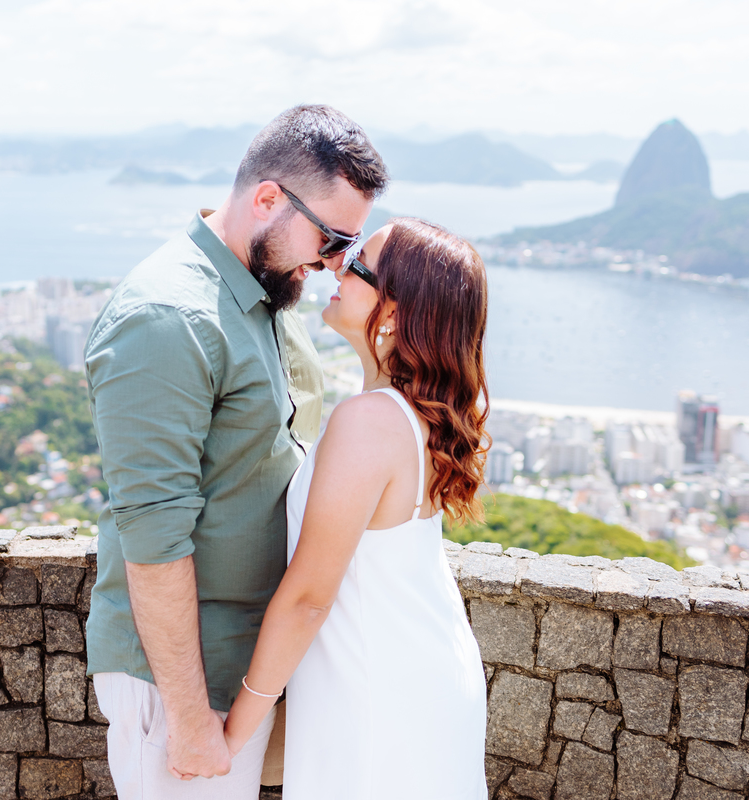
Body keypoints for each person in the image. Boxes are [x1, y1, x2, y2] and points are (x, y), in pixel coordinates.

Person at [83, 105, 389, 799]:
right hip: (185, 678)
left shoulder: (261, 295)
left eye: (349, 244)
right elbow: (154, 533)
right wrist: (189, 717)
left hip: (244, 664)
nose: (333, 259)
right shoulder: (169, 318)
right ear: (268, 199)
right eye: (331, 236)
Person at [221, 218, 491, 799]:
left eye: (358, 263)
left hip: (383, 695)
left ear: (394, 311)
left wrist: (235, 731)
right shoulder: (412, 415)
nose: (336, 266)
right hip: (415, 674)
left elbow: (309, 598)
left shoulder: (370, 421)